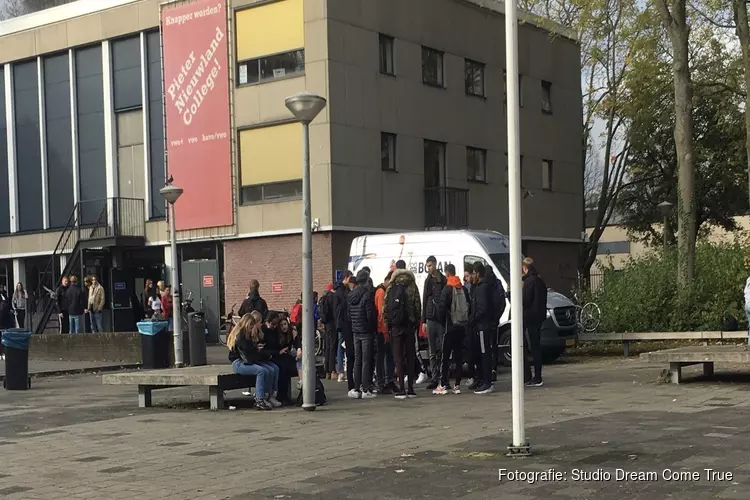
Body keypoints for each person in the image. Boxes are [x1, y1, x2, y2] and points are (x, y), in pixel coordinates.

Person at [383, 259, 422, 399]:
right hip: (410, 326)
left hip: (396, 327)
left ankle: (401, 389)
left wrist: (389, 324)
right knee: (410, 357)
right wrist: (416, 322)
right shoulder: (412, 285)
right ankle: (411, 389)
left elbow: (385, 308)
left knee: (398, 358)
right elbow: (418, 305)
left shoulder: (392, 286)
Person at [226, 311, 280, 411]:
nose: (252, 329)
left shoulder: (245, 335)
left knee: (269, 369)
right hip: (239, 363)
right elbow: (248, 354)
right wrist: (258, 351)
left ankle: (267, 395)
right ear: (247, 324)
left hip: (244, 361)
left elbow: (250, 351)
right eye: (251, 326)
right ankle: (260, 399)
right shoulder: (241, 337)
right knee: (261, 371)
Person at [435, 264, 470, 395]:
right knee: (459, 356)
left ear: (447, 274)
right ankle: (457, 384)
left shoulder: (447, 289)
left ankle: (444, 384)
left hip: (449, 327)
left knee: (445, 356)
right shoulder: (463, 289)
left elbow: (441, 309)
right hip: (462, 327)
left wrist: (442, 321)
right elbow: (468, 306)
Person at [347, 270, 377, 399]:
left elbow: (349, 315)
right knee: (366, 361)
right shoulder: (367, 295)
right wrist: (372, 328)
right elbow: (370, 315)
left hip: (355, 331)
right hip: (365, 331)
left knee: (357, 360)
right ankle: (365, 389)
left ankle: (356, 388)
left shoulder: (351, 295)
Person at [469, 261, 495, 394]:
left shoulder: (483, 287)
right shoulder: (478, 287)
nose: (472, 276)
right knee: (481, 353)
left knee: (485, 353)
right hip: (480, 325)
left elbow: (483, 308)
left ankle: (487, 382)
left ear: (478, 273)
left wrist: (473, 319)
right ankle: (483, 379)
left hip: (483, 326)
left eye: (473, 273)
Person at [422, 256, 447, 390]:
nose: (429, 268)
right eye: (427, 266)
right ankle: (434, 377)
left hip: (440, 319)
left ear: (436, 264)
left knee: (442, 349)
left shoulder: (442, 279)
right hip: (431, 318)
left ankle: (443, 376)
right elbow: (424, 299)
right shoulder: (428, 281)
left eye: (430, 265)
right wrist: (424, 320)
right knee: (432, 350)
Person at [522, 257, 547, 387]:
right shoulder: (540, 281)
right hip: (539, 317)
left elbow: (525, 301)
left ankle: (535, 377)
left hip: (530, 317)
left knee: (531, 346)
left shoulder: (528, 282)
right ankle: (538, 375)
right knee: (537, 347)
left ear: (525, 268)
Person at [374, 271, 396, 394]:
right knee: (384, 357)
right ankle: (383, 382)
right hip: (382, 330)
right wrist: (385, 332)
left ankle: (384, 381)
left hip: (381, 330)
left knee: (383, 357)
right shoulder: (382, 293)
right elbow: (382, 314)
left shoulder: (379, 291)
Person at [334, 270, 355, 388]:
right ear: (346, 278)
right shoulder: (341, 292)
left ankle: (342, 371)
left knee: (341, 346)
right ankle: (341, 371)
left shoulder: (340, 290)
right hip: (343, 322)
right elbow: (339, 309)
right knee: (342, 346)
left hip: (342, 322)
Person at [272, 316, 299, 404]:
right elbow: (273, 348)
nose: (284, 327)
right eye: (282, 325)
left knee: (288, 367)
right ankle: (282, 395)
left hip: (286, 357)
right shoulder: (276, 335)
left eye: (285, 324)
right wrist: (279, 351)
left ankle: (285, 395)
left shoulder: (290, 333)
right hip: (277, 357)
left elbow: (296, 345)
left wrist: (295, 337)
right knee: (283, 369)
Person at [319, 283, 338, 379]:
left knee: (326, 347)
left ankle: (326, 371)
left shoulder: (323, 298)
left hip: (325, 325)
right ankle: (332, 370)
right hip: (332, 324)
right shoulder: (333, 298)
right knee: (332, 347)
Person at [463, 264, 477, 387]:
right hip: (471, 323)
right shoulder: (469, 287)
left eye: (468, 275)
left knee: (472, 352)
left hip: (472, 323)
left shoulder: (472, 288)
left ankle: (474, 377)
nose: (466, 278)